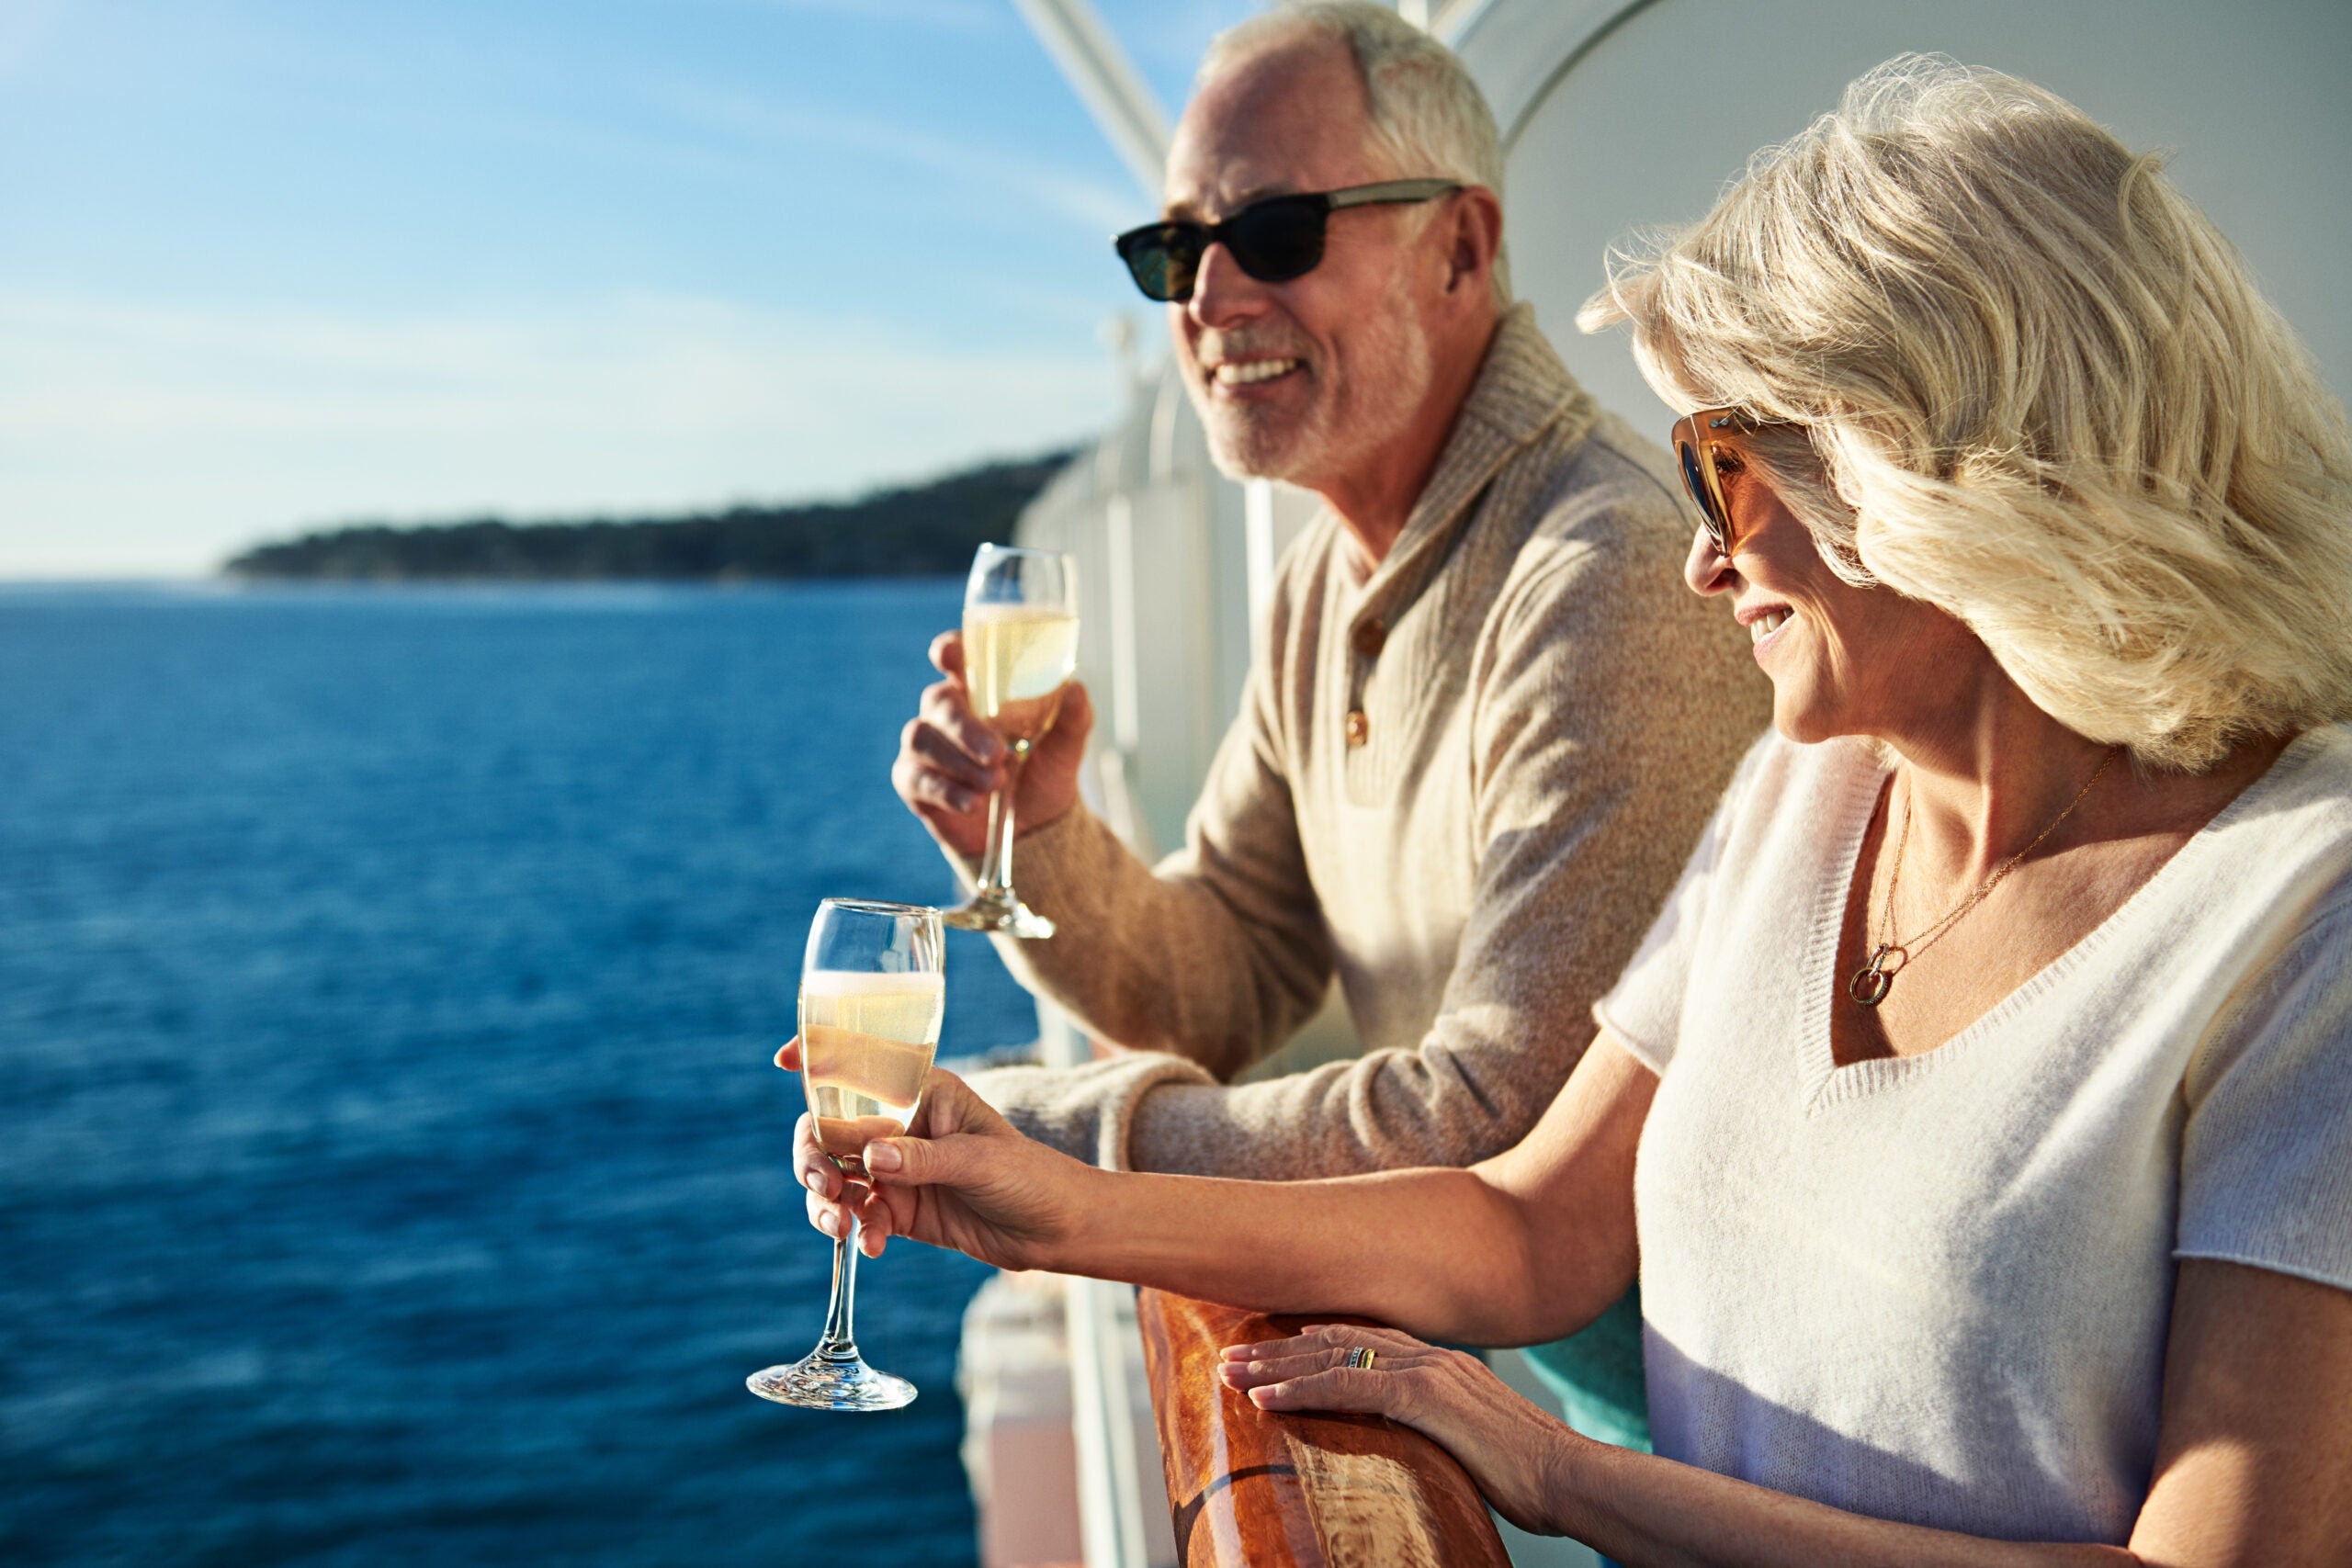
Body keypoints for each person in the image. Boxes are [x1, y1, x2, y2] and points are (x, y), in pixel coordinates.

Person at [799, 57, 2352, 1561]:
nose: (1700, 559)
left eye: (1729, 473)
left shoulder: (2305, 919)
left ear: (1947, 475)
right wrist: (1045, 1204)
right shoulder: (1809, 793)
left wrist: (1563, 1477)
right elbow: (1530, 1222)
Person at [886, 1, 1764, 1453]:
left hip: (1742, 1440)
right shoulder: (1328, 578)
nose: (1212, 299)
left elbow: (1490, 1133)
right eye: (1175, 251)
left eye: (1277, 232)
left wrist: (1045, 1145)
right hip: (1603, 1405)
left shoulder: (1604, 579)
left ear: (1462, 249)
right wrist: (1041, 835)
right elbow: (1225, 980)